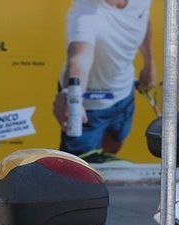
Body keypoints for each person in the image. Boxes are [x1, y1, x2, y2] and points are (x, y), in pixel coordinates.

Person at [52, 0, 155, 163]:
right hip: (88, 107)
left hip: (124, 93)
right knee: (79, 167)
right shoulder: (84, 14)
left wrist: (149, 65)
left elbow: (143, 18)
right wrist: (71, 95)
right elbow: (79, 59)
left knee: (114, 143)